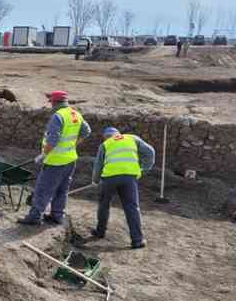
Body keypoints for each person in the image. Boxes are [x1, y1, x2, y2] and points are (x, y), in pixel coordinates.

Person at [18, 90, 91, 225]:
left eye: (51, 102)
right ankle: (57, 215)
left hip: (55, 161)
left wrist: (43, 154)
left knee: (43, 189)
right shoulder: (75, 114)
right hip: (70, 160)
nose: (51, 105)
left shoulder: (58, 116)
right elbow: (87, 131)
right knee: (62, 189)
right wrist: (73, 145)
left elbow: (52, 140)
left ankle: (34, 217)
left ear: (54, 102)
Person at [90, 127, 156, 250]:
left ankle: (100, 232)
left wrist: (95, 181)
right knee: (132, 207)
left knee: (104, 204)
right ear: (117, 133)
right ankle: (137, 240)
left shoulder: (105, 144)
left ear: (106, 136)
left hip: (109, 178)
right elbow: (150, 152)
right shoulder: (132, 138)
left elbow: (98, 165)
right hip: (129, 177)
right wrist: (143, 169)